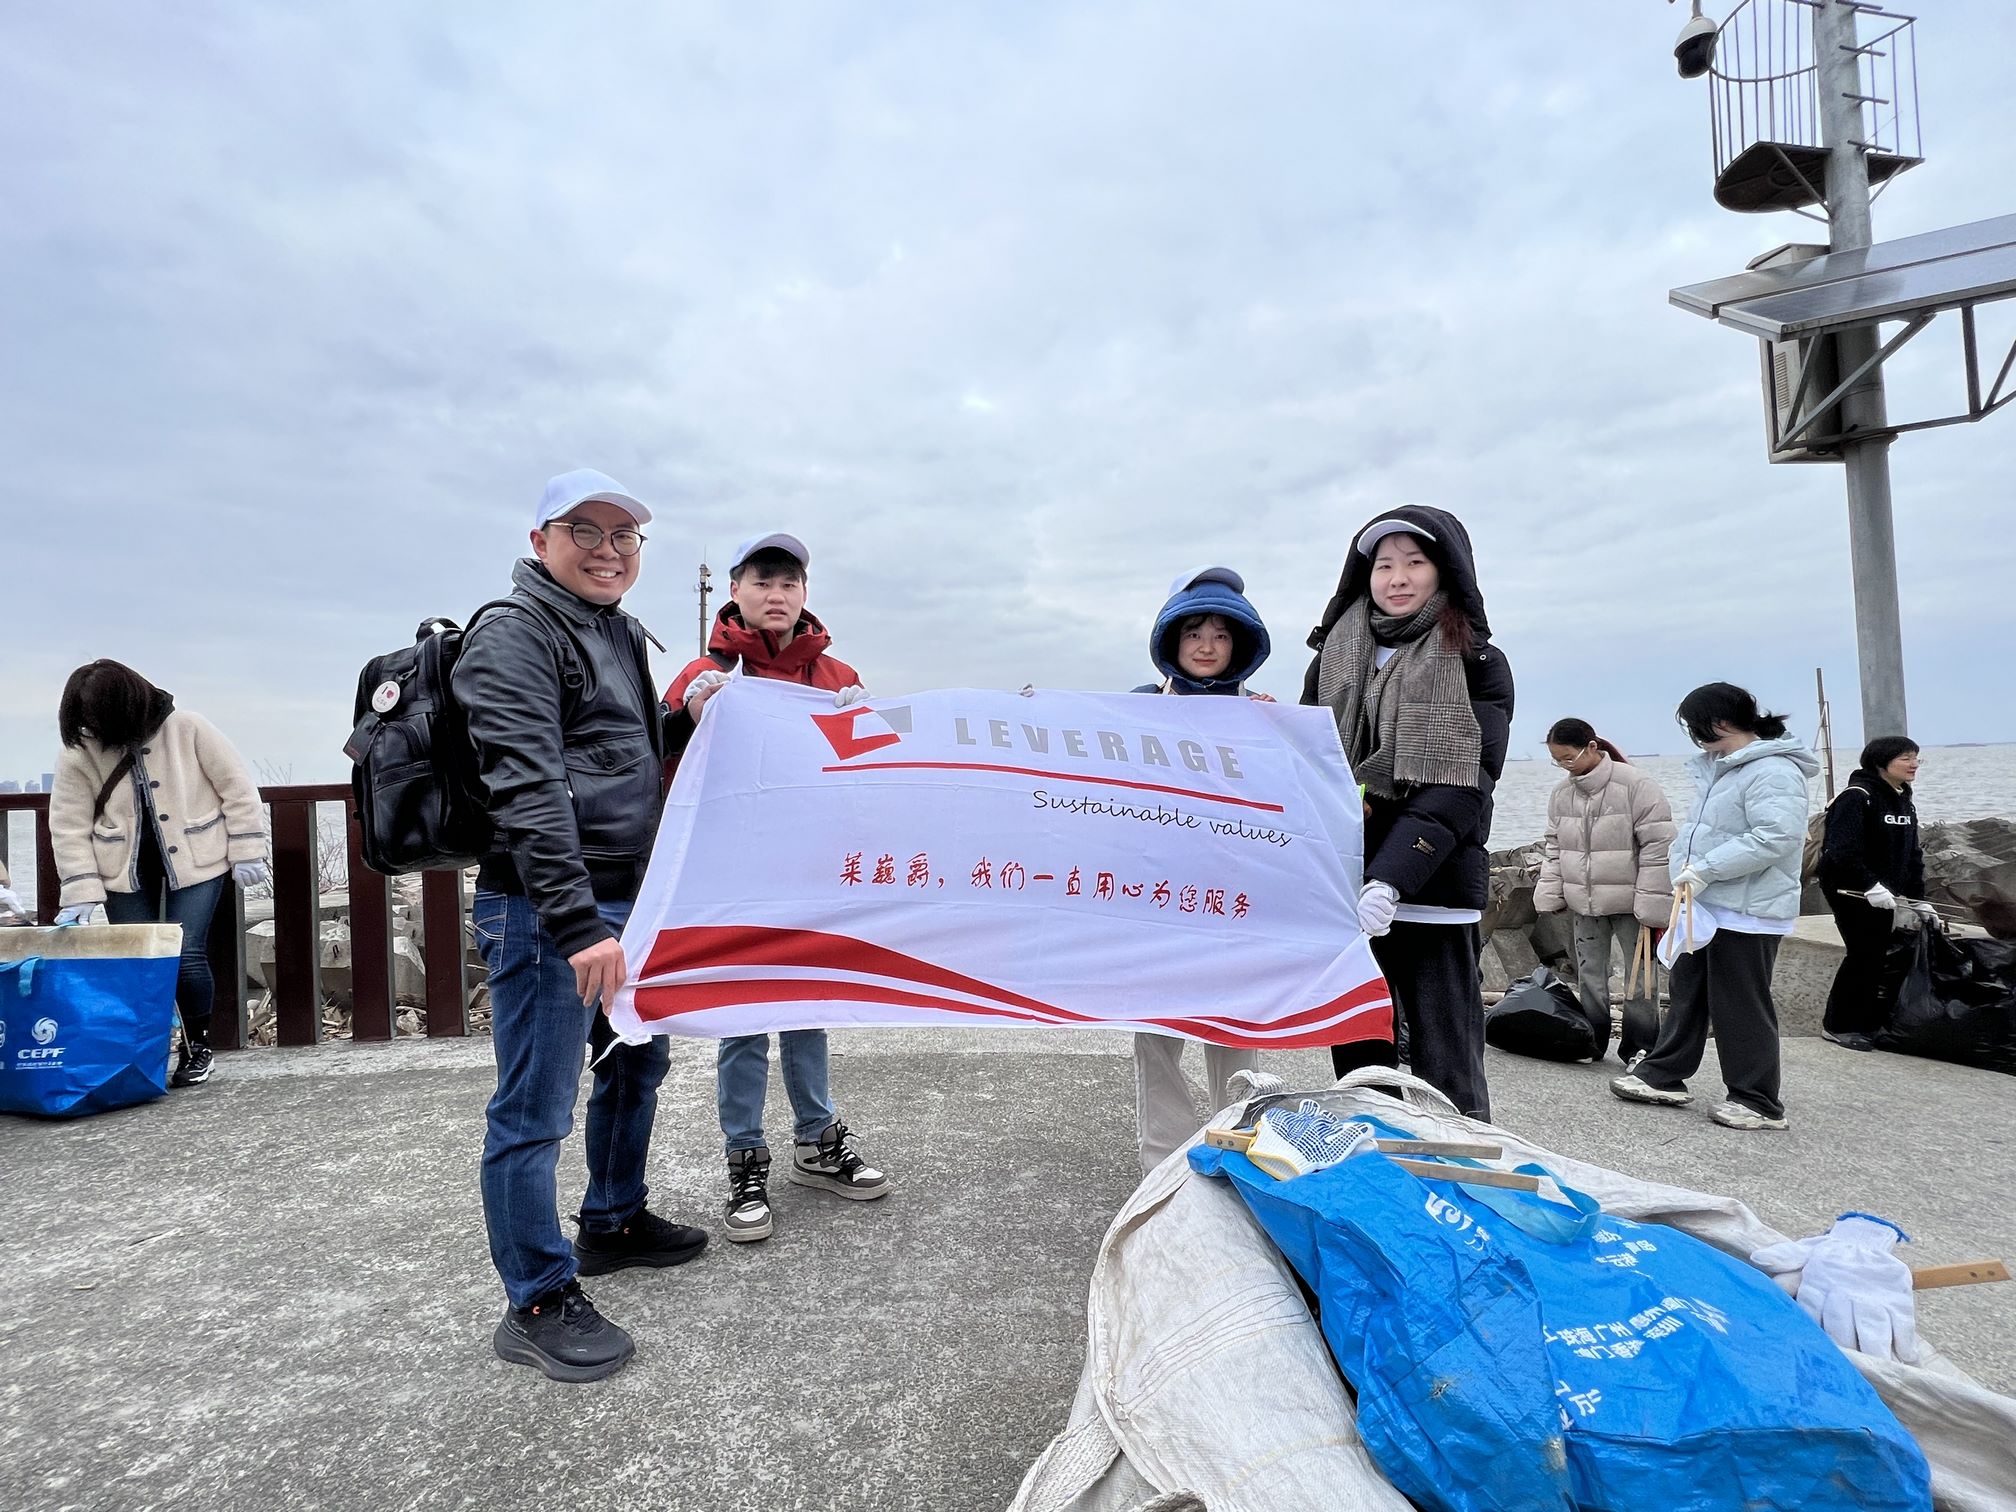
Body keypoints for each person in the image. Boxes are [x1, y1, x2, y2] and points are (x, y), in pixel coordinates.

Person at [453, 468, 708, 1383]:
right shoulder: (514, 634)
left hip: (627, 899)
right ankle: (535, 1296)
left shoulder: (614, 632)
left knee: (637, 1062)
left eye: (625, 537)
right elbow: (526, 787)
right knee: (534, 1105)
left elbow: (619, 761)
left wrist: (681, 716)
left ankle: (612, 1218)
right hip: (548, 907)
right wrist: (574, 924)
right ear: (540, 543)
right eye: (586, 533)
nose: (608, 551)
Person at [665, 531, 889, 1244]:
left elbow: (875, 773)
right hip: (730, 876)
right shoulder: (704, 673)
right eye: (762, 580)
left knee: (808, 1008)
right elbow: (668, 754)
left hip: (811, 870)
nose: (776, 594)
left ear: (804, 595)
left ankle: (817, 1144)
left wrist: (867, 724)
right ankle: (745, 1159)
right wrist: (691, 714)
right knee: (741, 1019)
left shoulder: (836, 676)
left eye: (789, 582)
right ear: (735, 590)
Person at [1302, 509, 1514, 1120]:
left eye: (1414, 562)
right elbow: (1307, 764)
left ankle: (1464, 1167)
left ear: (1444, 571)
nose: (1397, 577)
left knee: (1445, 1056)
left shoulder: (1477, 661)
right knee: (1360, 1049)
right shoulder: (1333, 659)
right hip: (1346, 889)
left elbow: (1465, 781)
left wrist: (1393, 877)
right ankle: (1372, 1155)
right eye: (1383, 564)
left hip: (1434, 889)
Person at [47, 660, 269, 1086]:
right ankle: (144, 1051)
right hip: (121, 867)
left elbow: (237, 788)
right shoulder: (80, 748)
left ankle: (197, 1047)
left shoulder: (187, 727)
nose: (93, 724)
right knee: (138, 960)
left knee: (186, 954)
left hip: (198, 855)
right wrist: (79, 890)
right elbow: (68, 823)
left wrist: (246, 849)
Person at [1611, 683, 1818, 1131]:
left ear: (1718, 722)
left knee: (1740, 1003)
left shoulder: (1772, 771)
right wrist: (1691, 871)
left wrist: (1706, 868)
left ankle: (1757, 1099)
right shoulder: (1724, 768)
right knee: (1689, 991)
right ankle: (1663, 1074)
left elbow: (1776, 837)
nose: (1693, 735)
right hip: (1708, 903)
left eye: (1695, 726)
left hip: (1749, 909)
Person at [1127, 565, 1276, 1172]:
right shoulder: (1133, 710)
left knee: (1236, 1034)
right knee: (1156, 1038)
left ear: (1241, 642)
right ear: (1172, 642)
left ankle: (1238, 1154)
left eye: (1220, 633)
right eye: (1193, 633)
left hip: (1235, 903)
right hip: (1156, 903)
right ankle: (1162, 1164)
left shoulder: (1267, 717)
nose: (1208, 645)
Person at [1533, 717, 1676, 1064]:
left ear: (1592, 747)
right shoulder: (1561, 793)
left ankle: (1640, 1046)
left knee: (1640, 978)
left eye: (1568, 757)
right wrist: (1551, 894)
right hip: (1583, 901)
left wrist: (1652, 902)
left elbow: (1659, 845)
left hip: (1632, 903)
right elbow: (1554, 847)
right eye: (1557, 760)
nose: (1564, 766)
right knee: (1590, 974)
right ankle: (1592, 1040)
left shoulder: (1636, 784)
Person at [1817, 736, 1934, 1051]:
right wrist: (1869, 884)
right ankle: (1838, 1025)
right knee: (1863, 953)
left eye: (1916, 758)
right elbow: (1841, 850)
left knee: (1878, 955)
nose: (1913, 765)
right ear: (1881, 762)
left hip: (1884, 892)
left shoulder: (1902, 799)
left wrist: (1918, 897)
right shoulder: (1857, 797)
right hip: (1849, 889)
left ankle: (1867, 1023)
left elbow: (1912, 854)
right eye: (1905, 758)